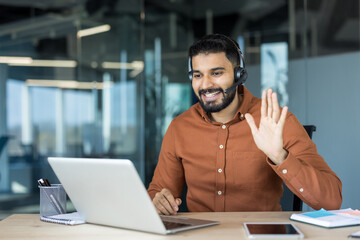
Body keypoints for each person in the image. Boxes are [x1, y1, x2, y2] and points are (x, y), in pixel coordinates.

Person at [147, 34, 342, 215]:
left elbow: (331, 201)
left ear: (239, 75)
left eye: (216, 73)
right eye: (198, 75)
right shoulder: (180, 127)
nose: (205, 85)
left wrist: (279, 156)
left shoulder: (276, 122)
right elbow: (159, 192)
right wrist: (158, 202)